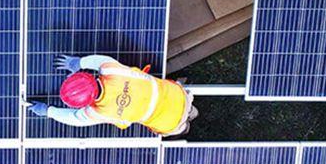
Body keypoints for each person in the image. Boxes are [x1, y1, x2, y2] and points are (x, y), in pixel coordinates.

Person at [28, 55, 198, 136]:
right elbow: (99, 61)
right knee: (187, 106)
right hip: (178, 95)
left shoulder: (100, 112)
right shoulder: (112, 71)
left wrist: (47, 111)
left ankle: (187, 120)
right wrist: (77, 63)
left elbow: (74, 118)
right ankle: (190, 110)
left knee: (182, 129)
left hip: (169, 123)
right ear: (88, 76)